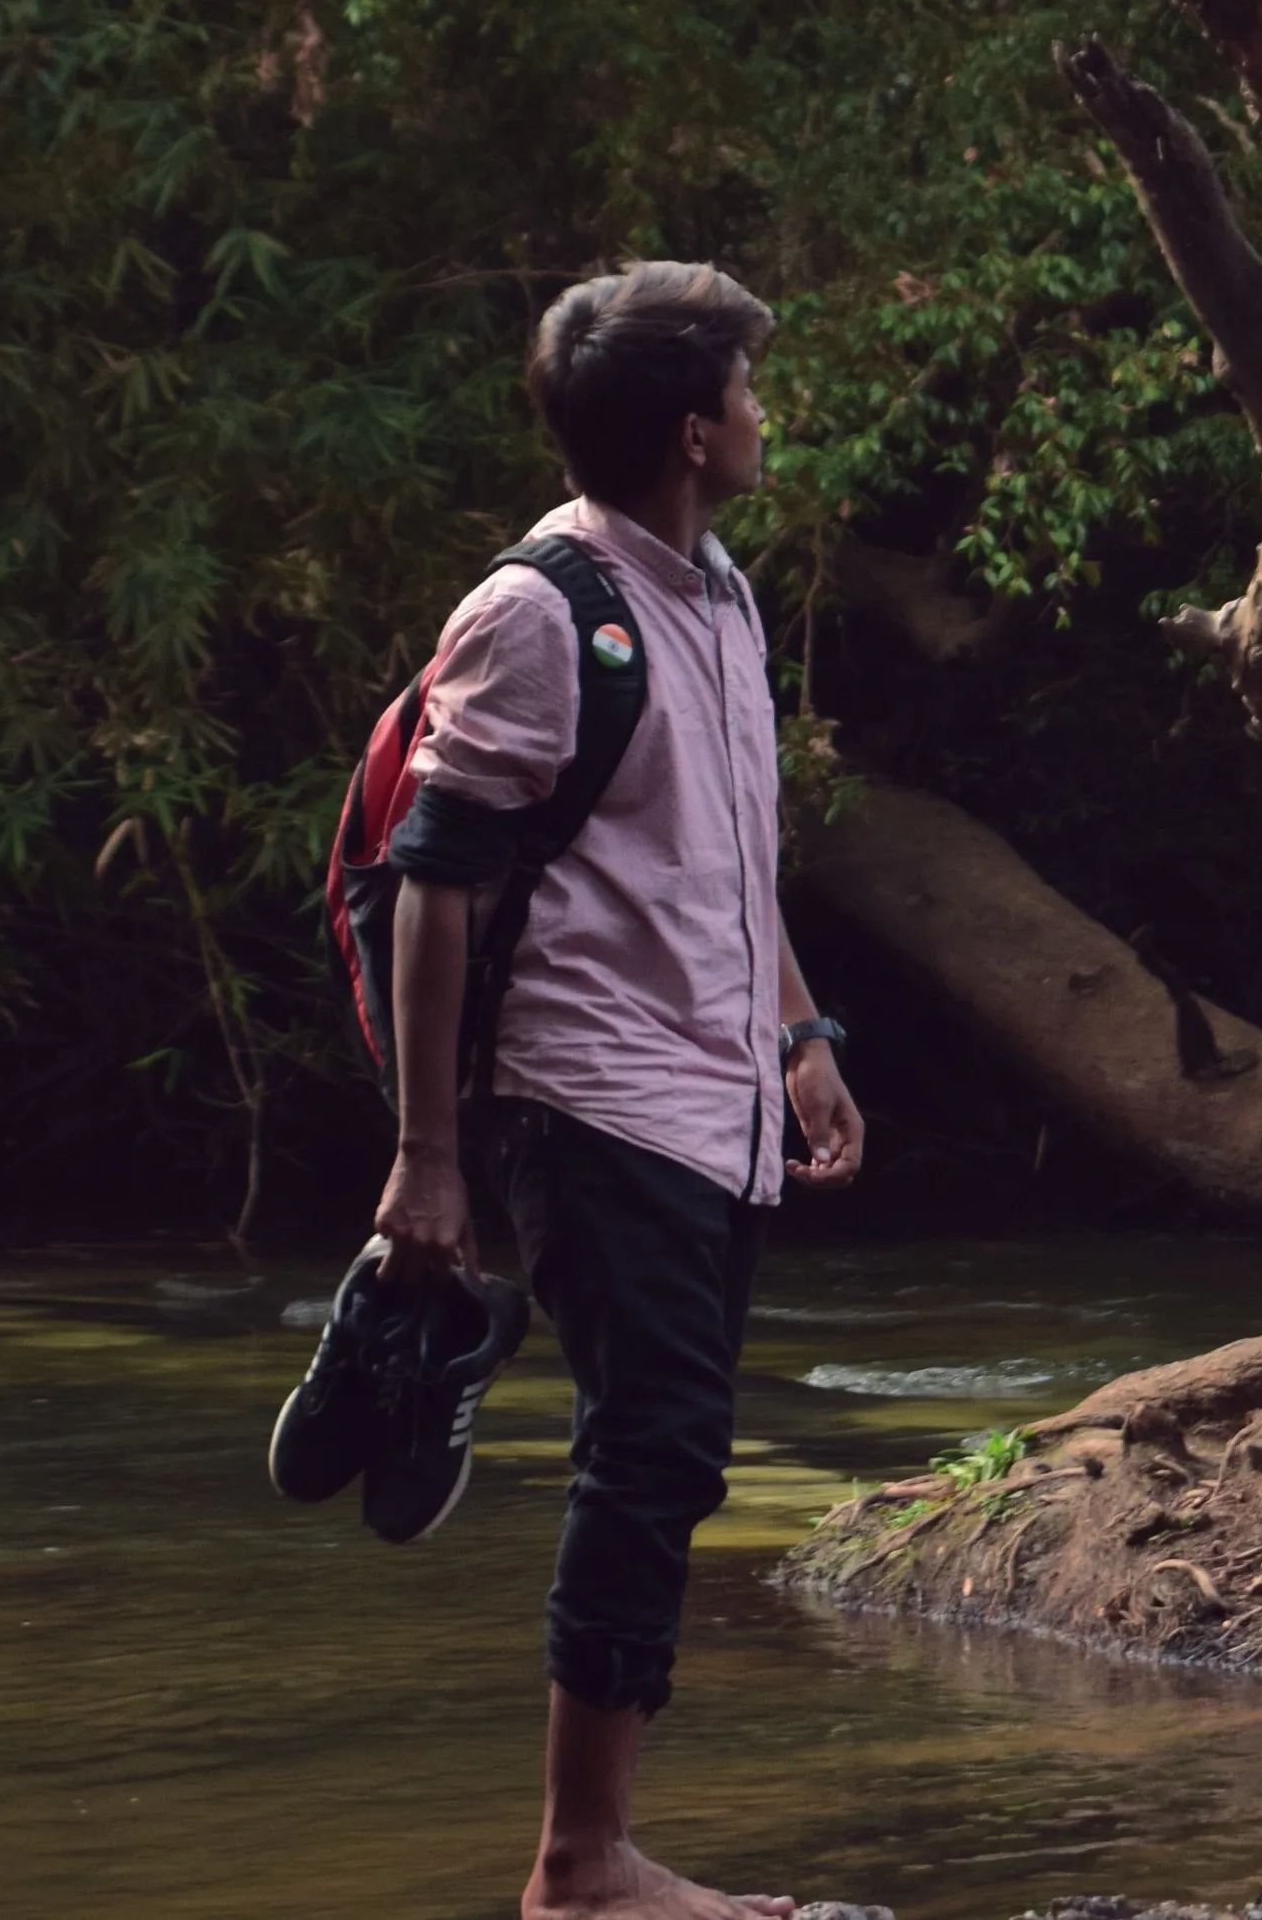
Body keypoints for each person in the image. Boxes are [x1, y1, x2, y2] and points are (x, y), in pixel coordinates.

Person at [375, 260, 863, 1920]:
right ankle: (579, 1867)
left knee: (671, 1453)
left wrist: (802, 1039)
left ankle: (598, 1853)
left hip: (714, 1091)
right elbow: (435, 886)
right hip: (584, 1090)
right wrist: (427, 1157)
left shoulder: (716, 595)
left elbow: (727, 862)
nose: (761, 415)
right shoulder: (537, 611)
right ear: (690, 429)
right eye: (747, 389)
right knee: (646, 1450)